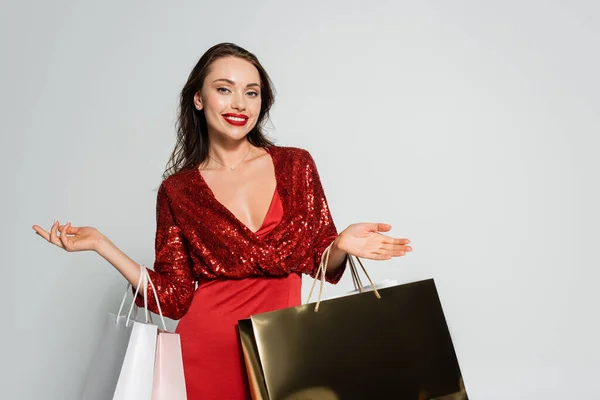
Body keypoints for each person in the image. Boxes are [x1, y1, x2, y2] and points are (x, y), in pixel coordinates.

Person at [32, 42, 412, 399]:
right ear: (199, 98)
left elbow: (319, 263)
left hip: (288, 345)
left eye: (252, 92)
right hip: (209, 349)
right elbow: (174, 297)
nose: (240, 103)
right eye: (225, 89)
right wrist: (102, 244)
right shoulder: (178, 190)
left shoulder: (295, 164)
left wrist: (340, 243)